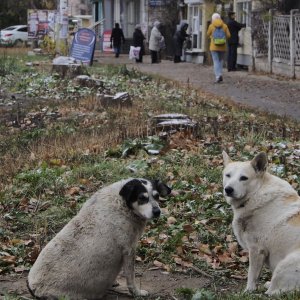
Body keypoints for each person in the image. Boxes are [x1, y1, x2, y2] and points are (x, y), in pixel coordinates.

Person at [207, 13, 231, 83]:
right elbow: (229, 35)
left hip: (213, 47)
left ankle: (218, 76)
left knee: (215, 61)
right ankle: (220, 74)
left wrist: (212, 36)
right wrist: (223, 38)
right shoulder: (225, 26)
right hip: (222, 46)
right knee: (220, 61)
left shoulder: (211, 26)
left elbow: (207, 34)